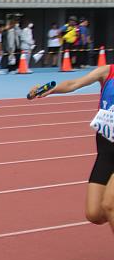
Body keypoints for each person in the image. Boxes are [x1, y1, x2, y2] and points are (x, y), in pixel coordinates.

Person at [29, 65, 114, 238]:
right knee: (94, 213)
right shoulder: (107, 72)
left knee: (110, 204)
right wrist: (51, 89)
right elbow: (74, 83)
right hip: (106, 149)